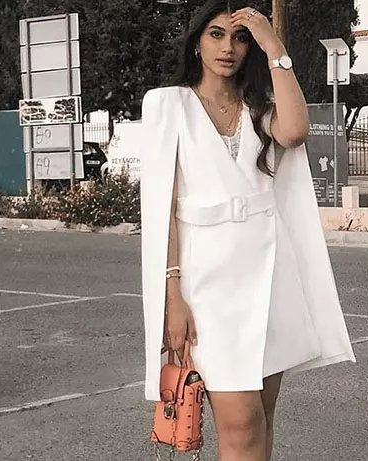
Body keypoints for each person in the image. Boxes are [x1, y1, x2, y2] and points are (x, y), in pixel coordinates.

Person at [139, 1, 356, 460]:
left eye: (239, 38)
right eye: (216, 35)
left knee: (262, 416)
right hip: (206, 284)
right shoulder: (168, 105)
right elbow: (164, 208)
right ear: (196, 43)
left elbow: (295, 131)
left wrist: (274, 45)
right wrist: (172, 294)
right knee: (241, 422)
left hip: (269, 272)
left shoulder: (257, 106)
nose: (228, 48)